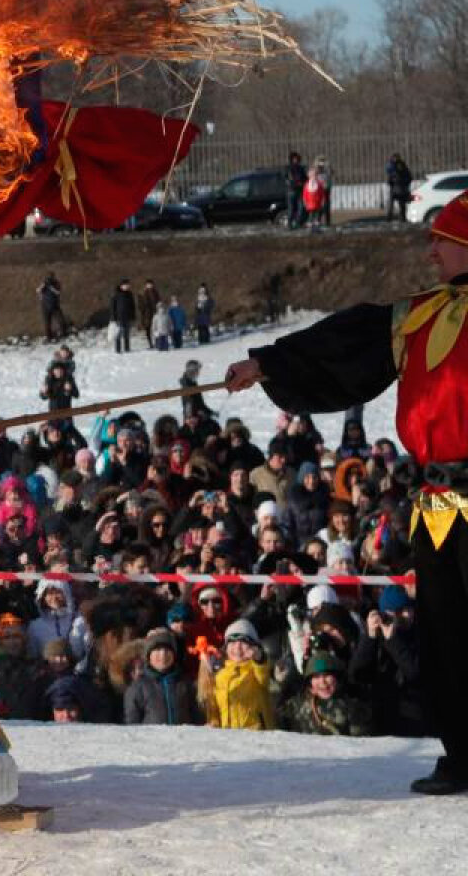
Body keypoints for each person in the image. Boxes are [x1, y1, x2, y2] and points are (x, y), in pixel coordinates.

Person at [225, 192, 468, 793]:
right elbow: (344, 345)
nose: (430, 250)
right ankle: (465, 751)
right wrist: (268, 363)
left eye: (441, 239)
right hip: (438, 499)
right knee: (445, 630)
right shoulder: (416, 314)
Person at [277, 649, 370, 736]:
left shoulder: (352, 707)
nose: (322, 682)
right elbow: (279, 715)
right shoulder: (300, 703)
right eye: (316, 677)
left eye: (326, 675)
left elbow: (360, 744)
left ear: (337, 679)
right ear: (310, 683)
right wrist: (285, 684)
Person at [124, 628, 200, 725]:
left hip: (182, 738)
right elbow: (132, 722)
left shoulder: (186, 683)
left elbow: (197, 716)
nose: (163, 654)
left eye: (167, 650)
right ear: (148, 655)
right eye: (157, 649)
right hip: (152, 738)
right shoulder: (138, 687)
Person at [37, 271, 67, 341]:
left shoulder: (56, 284)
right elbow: (38, 291)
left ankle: (63, 334)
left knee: (61, 320)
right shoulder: (44, 284)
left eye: (50, 277)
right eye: (48, 278)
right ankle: (49, 337)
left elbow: (58, 292)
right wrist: (42, 287)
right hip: (45, 306)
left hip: (55, 305)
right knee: (47, 323)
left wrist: (51, 288)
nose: (49, 279)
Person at [110, 279, 136, 354]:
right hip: (119, 317)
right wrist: (113, 317)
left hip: (128, 317)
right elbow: (112, 306)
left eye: (128, 285)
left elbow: (132, 306)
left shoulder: (130, 294)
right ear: (121, 286)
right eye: (125, 285)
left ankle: (127, 348)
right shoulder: (116, 294)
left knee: (126, 334)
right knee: (118, 334)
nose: (127, 286)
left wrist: (133, 316)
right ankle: (118, 349)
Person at [386, 152, 413, 223]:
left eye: (396, 158)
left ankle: (401, 218)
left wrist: (404, 182)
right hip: (396, 187)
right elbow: (389, 175)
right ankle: (391, 218)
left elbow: (409, 177)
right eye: (394, 158)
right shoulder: (391, 165)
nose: (395, 159)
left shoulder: (401, 165)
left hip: (400, 187)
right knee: (393, 204)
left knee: (401, 204)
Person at [138, 279, 161, 349]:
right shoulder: (142, 292)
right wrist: (143, 309)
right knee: (148, 329)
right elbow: (140, 304)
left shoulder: (155, 292)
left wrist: (158, 308)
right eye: (148, 284)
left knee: (156, 328)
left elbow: (159, 302)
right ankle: (150, 343)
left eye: (151, 284)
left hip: (155, 313)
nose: (150, 285)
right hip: (146, 314)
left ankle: (156, 342)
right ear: (146, 285)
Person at [286, 150, 306, 229]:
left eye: (297, 158)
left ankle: (297, 223)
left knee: (300, 209)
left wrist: (303, 183)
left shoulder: (301, 169)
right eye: (294, 158)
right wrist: (295, 183)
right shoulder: (289, 169)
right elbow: (288, 180)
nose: (296, 160)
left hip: (300, 191)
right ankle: (290, 224)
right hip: (291, 191)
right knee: (291, 209)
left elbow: (305, 178)